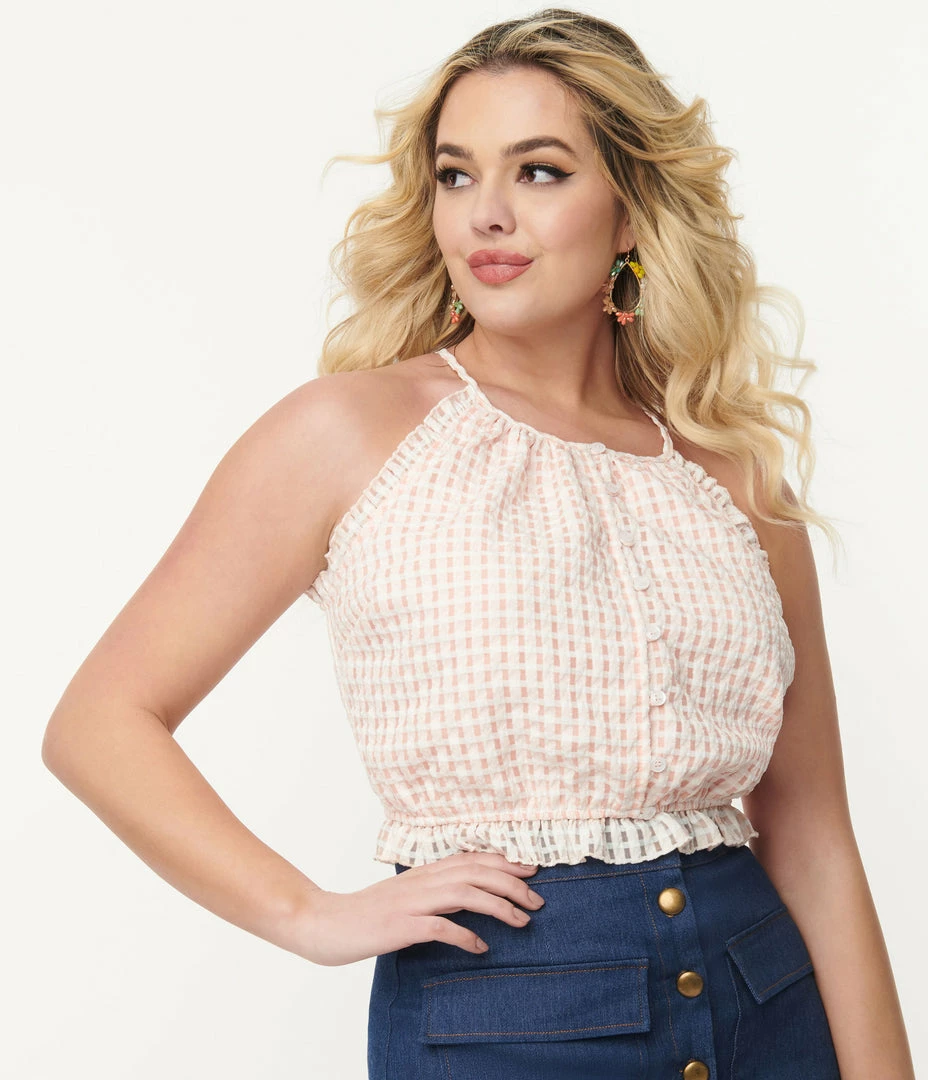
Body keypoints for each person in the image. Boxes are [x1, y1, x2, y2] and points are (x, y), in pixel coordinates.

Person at [41, 7, 914, 1079]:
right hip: (499, 1028)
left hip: (768, 1015)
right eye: (456, 176)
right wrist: (308, 914)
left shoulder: (734, 481)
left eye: (539, 171)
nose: (486, 213)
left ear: (631, 212)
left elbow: (814, 834)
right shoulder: (348, 434)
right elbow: (100, 723)